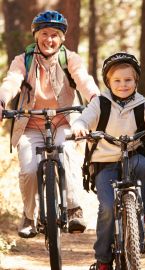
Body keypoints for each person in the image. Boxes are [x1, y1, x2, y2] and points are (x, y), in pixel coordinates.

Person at [0, 10, 100, 238]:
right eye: (45, 33)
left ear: (62, 38)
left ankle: (74, 208)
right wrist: (2, 99)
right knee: (28, 169)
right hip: (30, 125)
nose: (49, 39)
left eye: (55, 34)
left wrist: (95, 99)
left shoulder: (70, 59)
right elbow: (12, 81)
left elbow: (84, 80)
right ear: (36, 35)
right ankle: (28, 216)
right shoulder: (23, 60)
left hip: (64, 122)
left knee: (68, 156)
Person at [71, 52, 145, 269]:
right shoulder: (100, 103)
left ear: (136, 81)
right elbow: (85, 118)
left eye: (128, 80)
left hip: (133, 155)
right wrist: (80, 126)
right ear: (108, 82)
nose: (123, 85)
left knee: (144, 167)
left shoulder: (142, 104)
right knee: (107, 207)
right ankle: (102, 259)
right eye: (117, 80)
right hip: (104, 162)